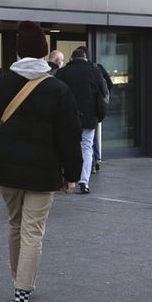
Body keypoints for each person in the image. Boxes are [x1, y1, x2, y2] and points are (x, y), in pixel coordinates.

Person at [0, 21, 82, 302]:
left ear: (19, 52)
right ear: (45, 53)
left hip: (6, 169)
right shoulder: (57, 88)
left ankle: (19, 281)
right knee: (32, 231)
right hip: (43, 172)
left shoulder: (0, 83)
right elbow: (69, 136)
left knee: (15, 225)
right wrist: (71, 173)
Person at [55, 47, 108, 194]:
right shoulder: (94, 71)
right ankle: (84, 182)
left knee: (65, 146)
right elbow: (101, 95)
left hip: (67, 118)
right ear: (85, 58)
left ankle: (67, 178)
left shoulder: (63, 72)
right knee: (86, 147)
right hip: (88, 118)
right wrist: (99, 115)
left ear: (71, 59)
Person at [77, 46, 113, 174]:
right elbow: (109, 83)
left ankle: (91, 163)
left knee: (87, 140)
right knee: (92, 137)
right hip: (95, 109)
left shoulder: (84, 70)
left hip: (84, 109)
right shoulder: (98, 68)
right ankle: (95, 161)